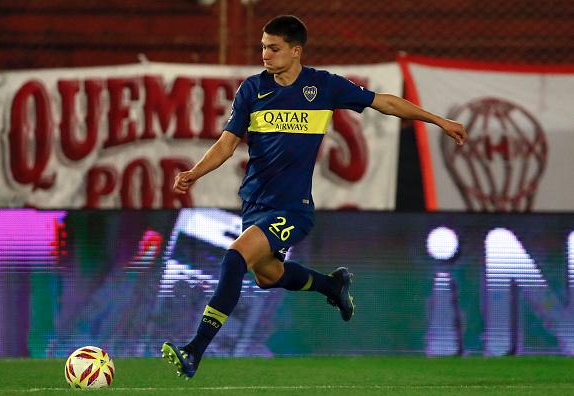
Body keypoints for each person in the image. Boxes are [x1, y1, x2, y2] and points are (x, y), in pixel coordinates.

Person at [161, 15, 467, 379]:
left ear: (295, 50)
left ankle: (194, 350)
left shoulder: (322, 87)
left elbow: (383, 102)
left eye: (273, 48)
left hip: (293, 209)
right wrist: (196, 172)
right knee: (268, 276)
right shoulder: (252, 90)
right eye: (262, 47)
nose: (265, 54)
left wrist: (439, 121)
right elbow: (227, 144)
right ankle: (330, 285)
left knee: (234, 259)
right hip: (254, 204)